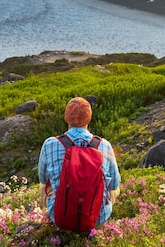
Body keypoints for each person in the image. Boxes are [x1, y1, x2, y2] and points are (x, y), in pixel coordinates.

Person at [38, 97, 121, 228]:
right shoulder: (104, 145)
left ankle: (58, 221)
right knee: (113, 187)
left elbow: (42, 178)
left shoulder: (50, 143)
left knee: (44, 185)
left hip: (61, 217)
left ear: (66, 117)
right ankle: (96, 221)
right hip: (96, 218)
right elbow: (115, 184)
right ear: (89, 118)